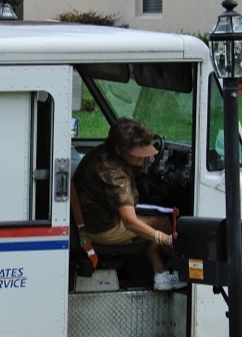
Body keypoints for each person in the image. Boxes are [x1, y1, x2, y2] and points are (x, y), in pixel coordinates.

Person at [72, 117, 179, 291]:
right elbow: (129, 221)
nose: (144, 156)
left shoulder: (102, 153)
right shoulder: (115, 175)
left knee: (148, 222)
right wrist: (165, 238)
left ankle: (160, 274)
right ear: (119, 148)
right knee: (160, 222)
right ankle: (180, 270)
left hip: (89, 218)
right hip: (102, 228)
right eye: (137, 152)